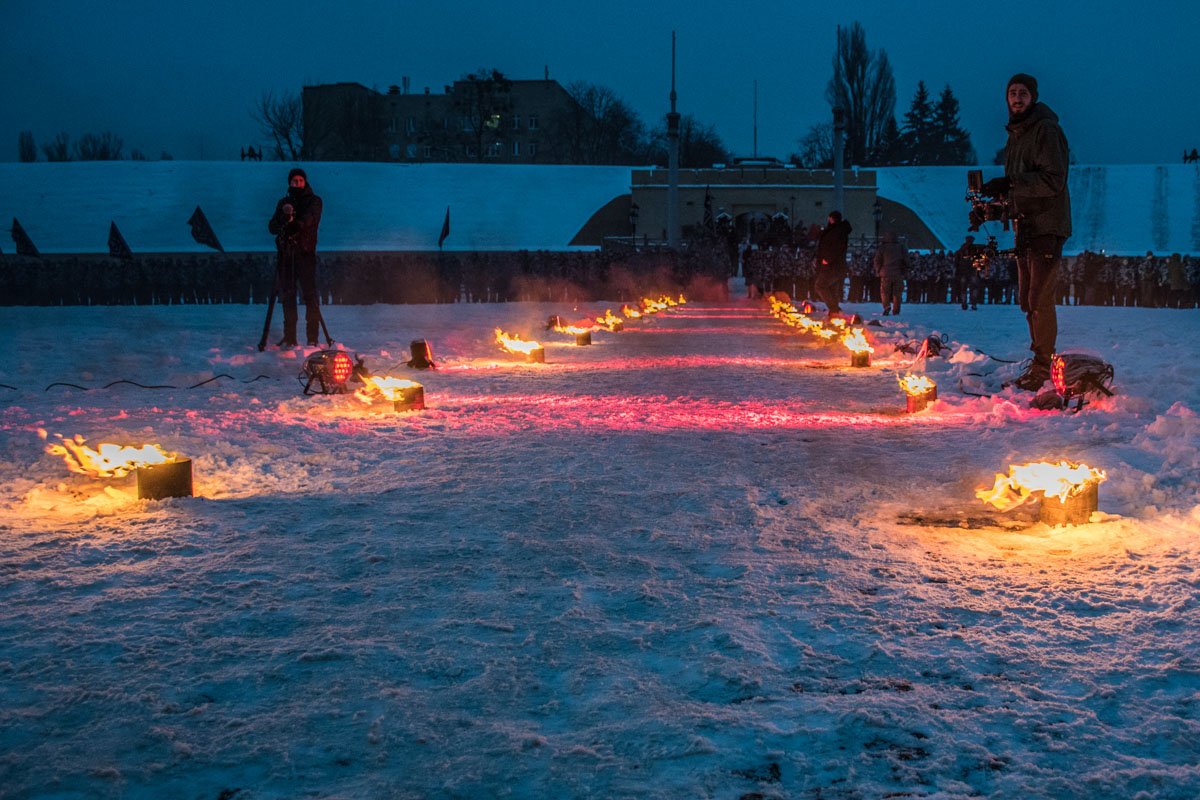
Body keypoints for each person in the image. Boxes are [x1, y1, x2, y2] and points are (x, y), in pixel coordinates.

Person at [982, 74, 1071, 391]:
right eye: (1012, 93)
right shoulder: (1015, 136)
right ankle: (1038, 358)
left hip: (1047, 225)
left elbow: (1052, 180)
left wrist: (1010, 183)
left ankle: (1044, 364)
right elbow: (1019, 190)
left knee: (1039, 298)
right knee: (1026, 299)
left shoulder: (1045, 130)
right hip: (1026, 226)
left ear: (1033, 97)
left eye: (1022, 93)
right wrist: (992, 209)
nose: (1017, 98)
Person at [267, 167, 324, 347]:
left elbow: (310, 219)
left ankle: (312, 338)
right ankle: (290, 337)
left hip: (305, 254)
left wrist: (295, 222)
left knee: (310, 296)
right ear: (289, 183)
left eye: (300, 180)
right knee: (288, 296)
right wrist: (283, 219)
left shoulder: (314, 201)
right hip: (287, 256)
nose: (297, 183)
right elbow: (272, 227)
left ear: (305, 182)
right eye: (294, 181)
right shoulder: (283, 202)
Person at [814, 210, 852, 317]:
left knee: (820, 285)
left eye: (829, 218)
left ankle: (835, 309)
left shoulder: (838, 231)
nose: (828, 220)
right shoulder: (835, 230)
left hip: (833, 265)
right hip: (833, 265)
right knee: (831, 289)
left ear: (832, 218)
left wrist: (827, 259)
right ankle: (834, 314)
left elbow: (837, 247)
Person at [873, 231, 909, 315]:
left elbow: (877, 260)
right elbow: (906, 260)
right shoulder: (901, 247)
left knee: (885, 292)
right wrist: (905, 269)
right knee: (897, 293)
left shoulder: (882, 248)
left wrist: (879, 270)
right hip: (898, 273)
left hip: (885, 273)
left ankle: (886, 306)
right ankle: (896, 310)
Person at [954, 236, 982, 310]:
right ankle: (973, 304)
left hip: (964, 272)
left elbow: (956, 263)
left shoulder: (960, 250)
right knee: (974, 288)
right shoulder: (976, 250)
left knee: (964, 289)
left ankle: (964, 303)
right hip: (972, 272)